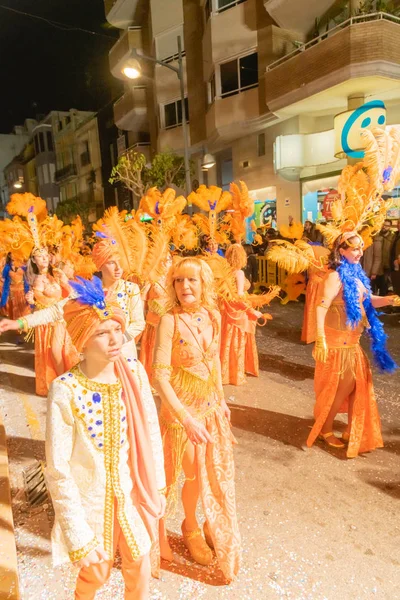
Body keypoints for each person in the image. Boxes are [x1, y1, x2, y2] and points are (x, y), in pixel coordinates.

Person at [46, 276, 166, 600]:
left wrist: (157, 488)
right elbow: (58, 469)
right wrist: (76, 533)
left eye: (117, 328)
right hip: (91, 503)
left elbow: (151, 431)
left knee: (139, 564)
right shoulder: (66, 389)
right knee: (95, 573)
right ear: (82, 341)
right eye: (102, 332)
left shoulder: (134, 373)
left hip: (131, 493)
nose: (115, 339)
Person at [152, 257, 241, 582]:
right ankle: (190, 524)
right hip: (181, 416)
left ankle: (209, 522)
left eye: (191, 280)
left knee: (213, 473)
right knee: (191, 475)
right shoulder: (169, 322)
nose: (185, 287)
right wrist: (186, 418)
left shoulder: (214, 316)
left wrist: (221, 400)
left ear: (204, 284)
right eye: (178, 281)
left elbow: (215, 361)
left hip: (209, 408)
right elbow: (160, 376)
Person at [307, 232, 399, 458]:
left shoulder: (357, 275)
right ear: (341, 251)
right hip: (338, 345)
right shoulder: (334, 277)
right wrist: (320, 338)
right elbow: (321, 306)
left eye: (361, 248)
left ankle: (350, 429)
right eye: (355, 249)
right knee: (341, 389)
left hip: (353, 344)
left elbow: (367, 301)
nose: (360, 253)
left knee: (357, 387)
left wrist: (388, 300)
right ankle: (325, 430)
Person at [220, 243, 261, 385]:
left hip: (227, 311)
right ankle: (235, 374)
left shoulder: (226, 272)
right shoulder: (239, 273)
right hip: (238, 311)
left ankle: (225, 371)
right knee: (237, 341)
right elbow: (239, 295)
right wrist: (251, 310)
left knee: (227, 341)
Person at [390, 219, 400, 296]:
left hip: (398, 264)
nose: (398, 225)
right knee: (396, 287)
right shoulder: (395, 235)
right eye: (398, 223)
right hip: (394, 266)